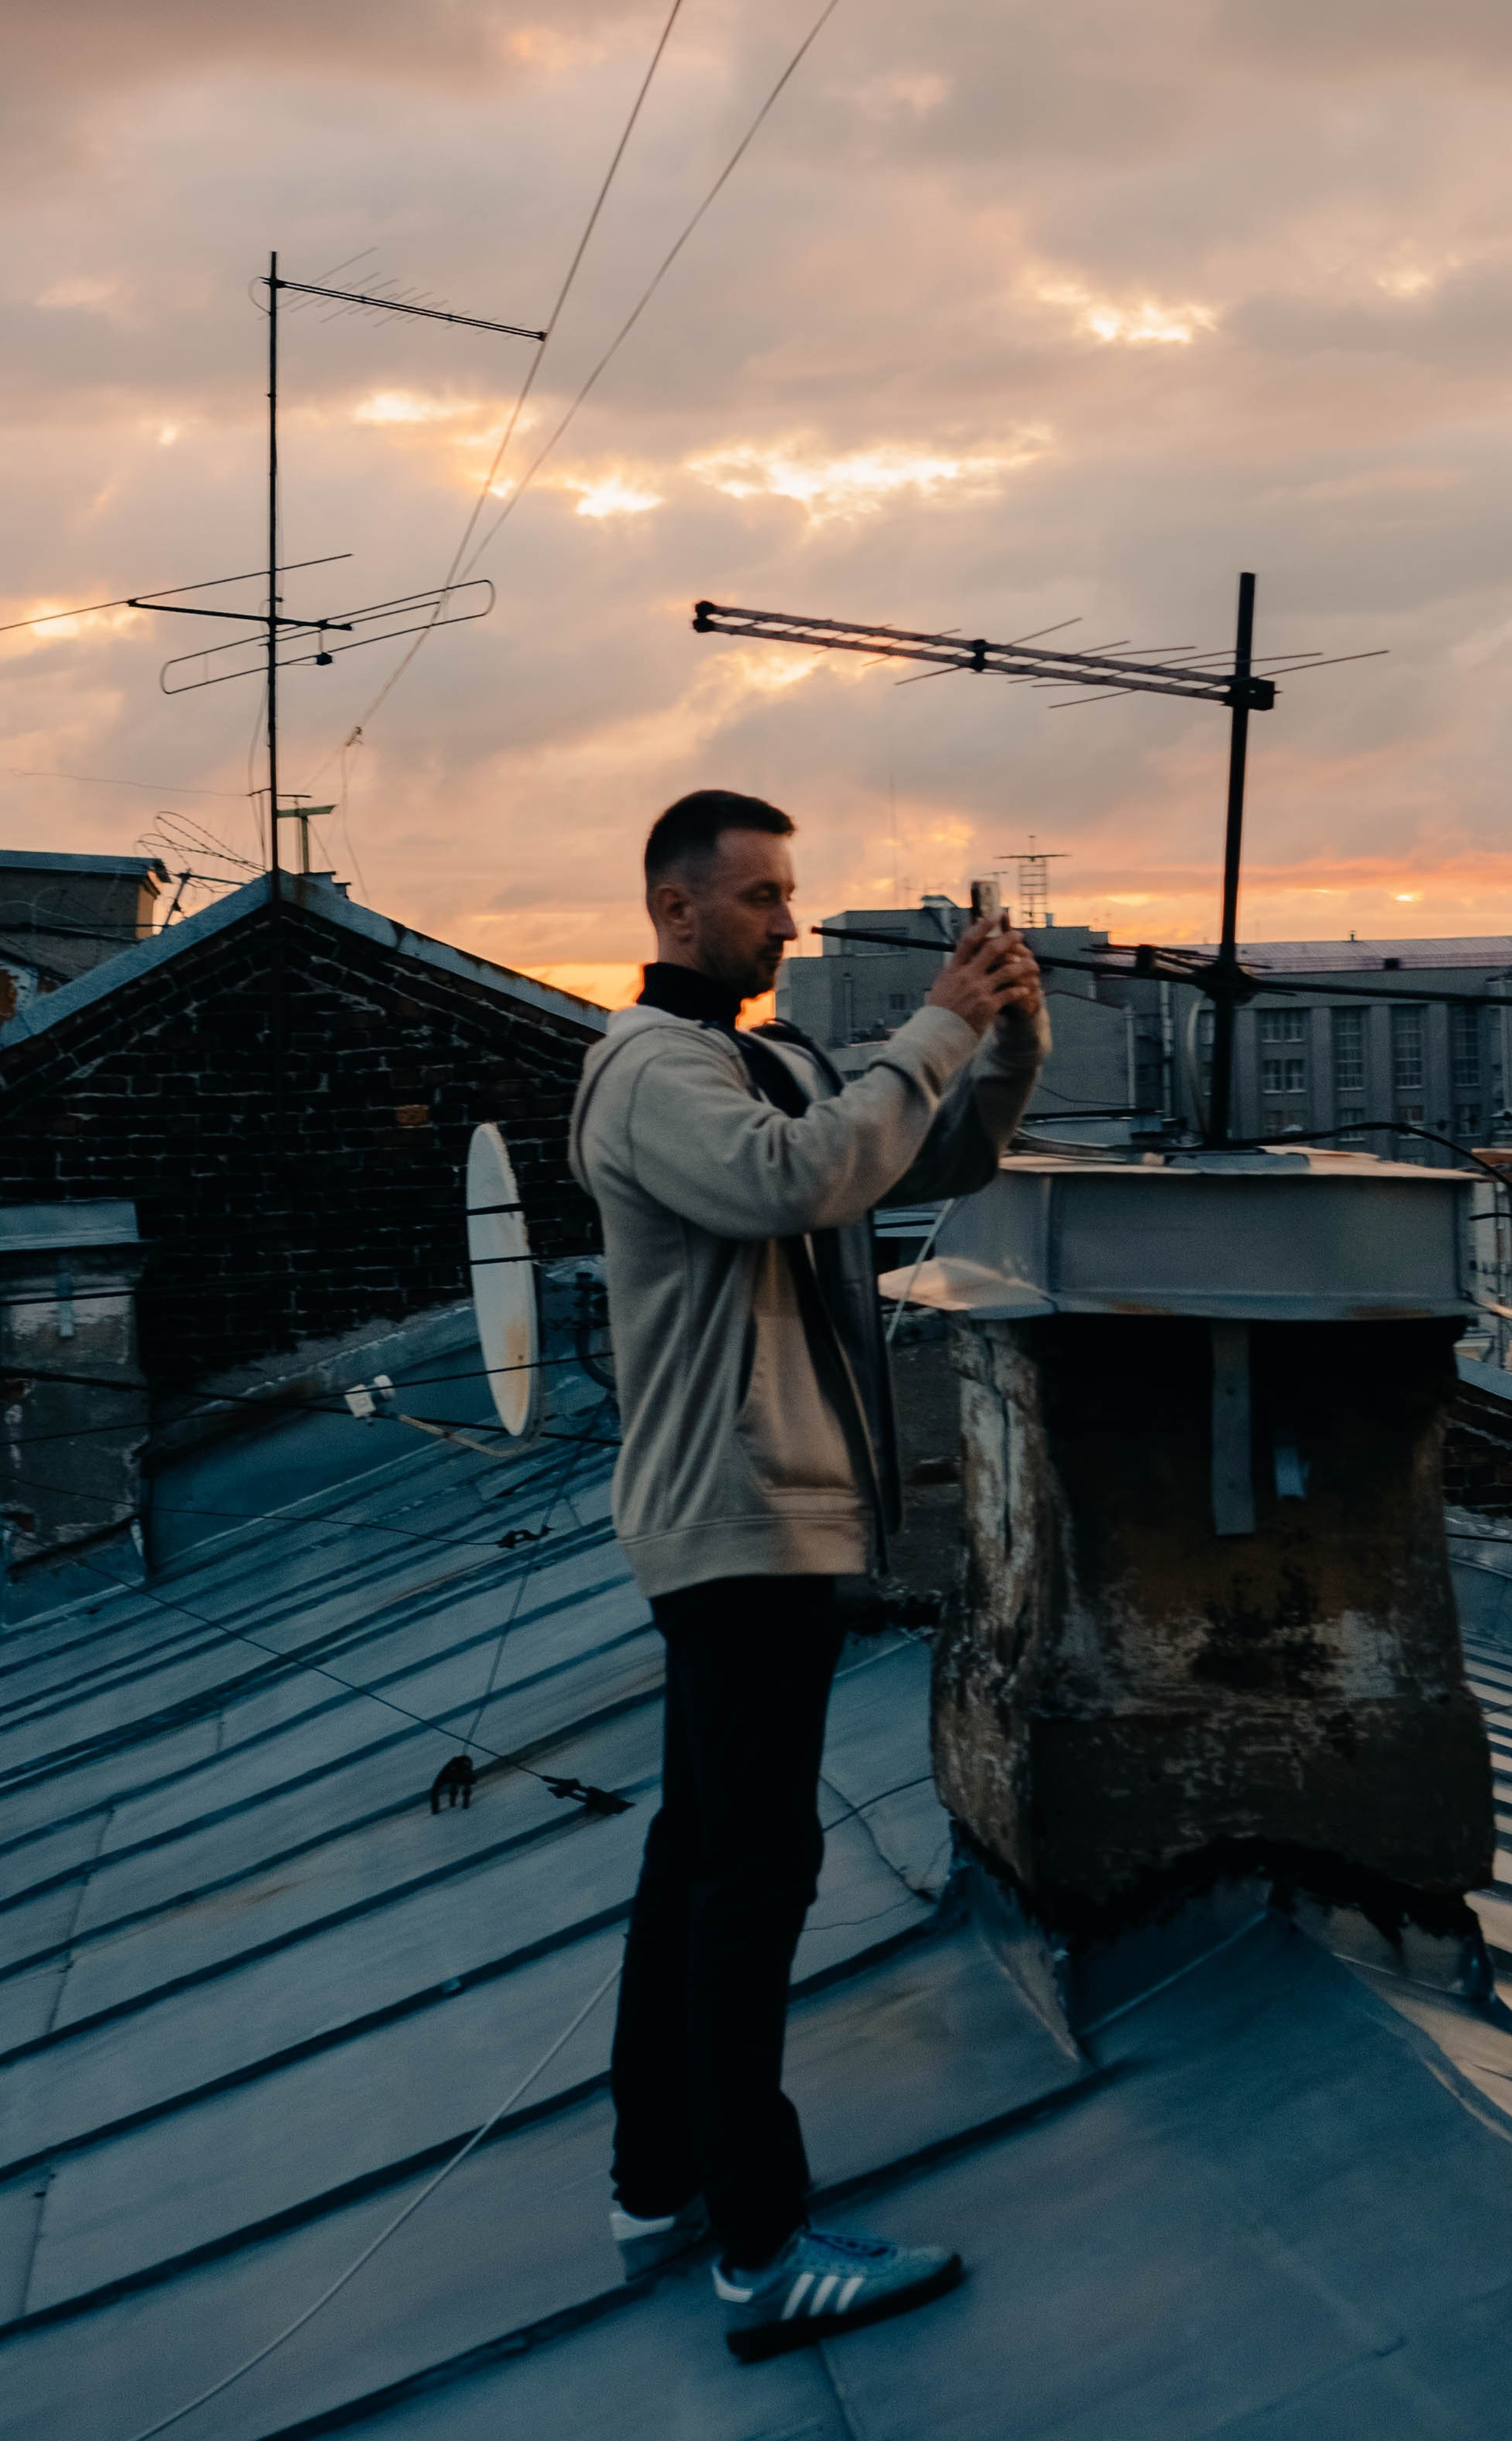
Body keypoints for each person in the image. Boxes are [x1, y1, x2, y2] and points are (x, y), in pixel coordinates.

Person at [568, 787, 1046, 2362]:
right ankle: (762, 2249)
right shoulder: (648, 1073)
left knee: (697, 1859)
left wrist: (1001, 1040)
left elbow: (917, 1156)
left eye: (789, 893)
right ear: (676, 909)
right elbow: (797, 1184)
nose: (786, 920)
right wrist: (925, 1029)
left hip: (765, 1526)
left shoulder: (757, 1060)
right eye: (761, 898)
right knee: (750, 1880)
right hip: (737, 1529)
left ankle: (659, 2189)